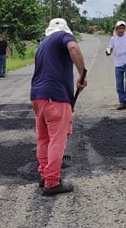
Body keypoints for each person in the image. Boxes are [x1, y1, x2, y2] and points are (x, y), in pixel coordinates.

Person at [30, 18, 87, 195]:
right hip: (55, 97)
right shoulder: (63, 36)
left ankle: (44, 175)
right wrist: (82, 75)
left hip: (37, 97)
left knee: (43, 139)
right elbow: (74, 48)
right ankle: (52, 182)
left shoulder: (42, 45)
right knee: (57, 140)